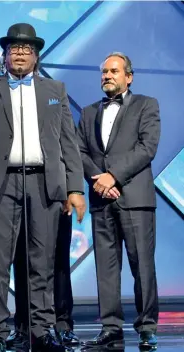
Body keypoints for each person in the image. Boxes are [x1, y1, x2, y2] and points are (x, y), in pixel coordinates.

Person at [0, 23, 86, 352]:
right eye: (13, 48)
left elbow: (68, 143)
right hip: (1, 183)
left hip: (44, 182)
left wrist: (75, 188)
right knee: (0, 264)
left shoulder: (54, 89)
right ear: (2, 56)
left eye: (26, 48)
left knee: (42, 262)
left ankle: (42, 330)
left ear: (36, 56)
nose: (20, 53)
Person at [78, 52, 160, 350]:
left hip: (135, 198)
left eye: (113, 71)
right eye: (103, 72)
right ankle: (110, 327)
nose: (107, 76)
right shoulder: (88, 113)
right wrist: (99, 180)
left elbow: (147, 147)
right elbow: (80, 152)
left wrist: (113, 175)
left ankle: (147, 327)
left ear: (129, 76)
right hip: (102, 200)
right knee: (106, 268)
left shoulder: (146, 105)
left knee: (142, 266)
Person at [52, 213, 79, 346]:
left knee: (60, 258)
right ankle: (24, 327)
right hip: (20, 197)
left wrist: (74, 191)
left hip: (57, 198)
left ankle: (63, 322)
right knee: (23, 257)